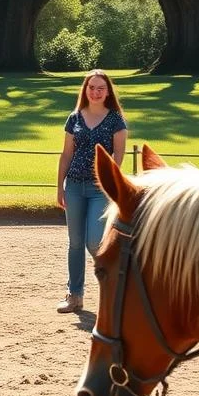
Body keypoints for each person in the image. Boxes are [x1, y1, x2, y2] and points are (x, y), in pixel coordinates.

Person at [55, 70, 128, 313]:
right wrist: (60, 187)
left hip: (100, 189)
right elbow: (66, 155)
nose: (95, 92)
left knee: (94, 241)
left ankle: (111, 293)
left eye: (100, 88)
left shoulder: (115, 120)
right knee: (74, 242)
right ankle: (74, 295)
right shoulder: (74, 118)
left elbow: (118, 158)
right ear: (85, 90)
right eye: (91, 87)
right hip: (74, 185)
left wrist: (113, 188)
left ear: (108, 92)